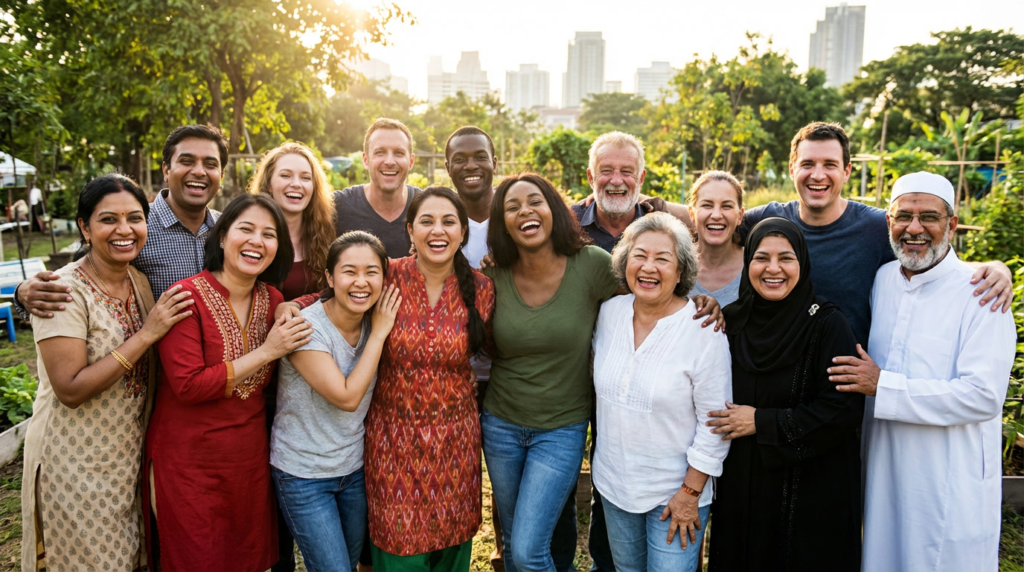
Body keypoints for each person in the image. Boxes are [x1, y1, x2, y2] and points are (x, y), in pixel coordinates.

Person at [829, 172, 1016, 572]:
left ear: (951, 224)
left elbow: (983, 396)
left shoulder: (981, 292)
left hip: (947, 479)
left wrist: (883, 386)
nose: (914, 229)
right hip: (884, 470)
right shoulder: (883, 280)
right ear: (889, 224)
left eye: (928, 217)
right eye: (903, 216)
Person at [20, 174, 194, 572]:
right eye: (108, 219)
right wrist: (148, 334)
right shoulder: (63, 291)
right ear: (85, 226)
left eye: (134, 218)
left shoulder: (140, 280)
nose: (124, 230)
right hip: (74, 459)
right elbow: (70, 388)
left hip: (127, 456)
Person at [144, 194, 312, 571]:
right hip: (189, 461)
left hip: (248, 460)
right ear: (222, 237)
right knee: (197, 558)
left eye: (269, 234)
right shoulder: (185, 297)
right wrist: (267, 352)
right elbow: (188, 386)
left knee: (247, 558)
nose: (257, 241)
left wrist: (295, 305)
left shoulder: (273, 299)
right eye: (246, 229)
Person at [738, 122, 1013, 346]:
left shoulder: (877, 226)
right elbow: (704, 220)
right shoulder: (766, 221)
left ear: (847, 171)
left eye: (830, 165)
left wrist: (994, 267)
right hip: (776, 372)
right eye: (808, 164)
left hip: (847, 383)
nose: (818, 175)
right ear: (792, 170)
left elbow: (935, 260)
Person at [481, 173, 620, 572]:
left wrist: (700, 302)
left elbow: (648, 300)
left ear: (553, 210)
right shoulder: (494, 275)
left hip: (561, 428)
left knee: (527, 551)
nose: (525, 210)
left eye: (534, 201)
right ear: (502, 221)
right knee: (512, 546)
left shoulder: (592, 265)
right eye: (512, 206)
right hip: (501, 425)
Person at [708, 217, 864, 572]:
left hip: (810, 488)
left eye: (786, 258)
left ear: (803, 263)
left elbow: (842, 409)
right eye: (761, 258)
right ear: (747, 263)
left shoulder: (827, 324)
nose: (773, 269)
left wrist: (761, 422)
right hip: (744, 485)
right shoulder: (730, 322)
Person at [364, 186, 494, 570]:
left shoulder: (483, 289)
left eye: (448, 221)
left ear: (463, 233)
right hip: (392, 441)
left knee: (451, 545)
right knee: (397, 545)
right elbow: (336, 295)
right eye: (427, 221)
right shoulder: (385, 275)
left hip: (455, 442)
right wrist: (292, 305)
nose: (438, 230)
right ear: (409, 230)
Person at [593, 212, 731, 572]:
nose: (648, 267)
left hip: (675, 495)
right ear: (625, 261)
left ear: (682, 270)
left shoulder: (703, 330)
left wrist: (689, 493)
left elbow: (715, 424)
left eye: (662, 258)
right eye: (639, 255)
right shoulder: (609, 313)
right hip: (614, 485)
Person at [270, 232, 402, 572]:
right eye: (349, 271)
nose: (361, 282)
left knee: (354, 562)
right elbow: (346, 397)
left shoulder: (374, 318)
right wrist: (380, 333)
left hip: (353, 470)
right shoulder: (306, 328)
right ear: (329, 277)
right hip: (303, 474)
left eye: (372, 272)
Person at [14, 124, 228, 317]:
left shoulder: (229, 230)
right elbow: (81, 277)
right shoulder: (132, 228)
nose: (199, 171)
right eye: (187, 161)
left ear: (222, 174)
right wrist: (22, 294)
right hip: (143, 356)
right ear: (166, 170)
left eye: (210, 164)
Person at [250, 141, 336, 300]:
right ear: (269, 184)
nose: (296, 184)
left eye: (305, 178)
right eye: (285, 175)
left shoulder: (327, 235)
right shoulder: (250, 237)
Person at [335, 118, 422, 259]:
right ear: (366, 160)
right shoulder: (338, 206)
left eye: (399, 153)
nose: (389, 161)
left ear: (411, 161)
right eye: (380, 152)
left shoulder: (426, 206)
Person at [688, 171, 745, 306]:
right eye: (707, 205)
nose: (716, 215)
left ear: (740, 216)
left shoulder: (755, 265)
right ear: (692, 214)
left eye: (727, 206)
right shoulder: (676, 264)